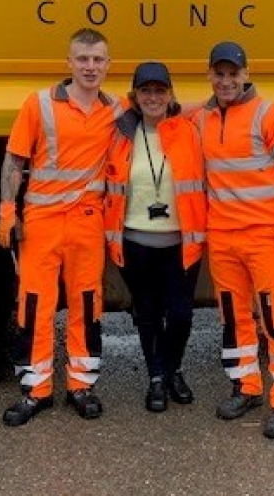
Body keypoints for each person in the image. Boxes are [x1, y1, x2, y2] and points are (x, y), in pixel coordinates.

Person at [0, 28, 123, 426]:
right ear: (68, 62)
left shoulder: (116, 109)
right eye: (82, 59)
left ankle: (81, 386)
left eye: (98, 60)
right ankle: (37, 391)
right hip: (43, 224)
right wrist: (6, 210)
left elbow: (165, 108)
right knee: (36, 307)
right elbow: (14, 161)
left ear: (107, 65)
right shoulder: (39, 105)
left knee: (87, 304)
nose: (90, 67)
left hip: (87, 224)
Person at [192, 41, 274, 438]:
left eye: (233, 74)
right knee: (233, 317)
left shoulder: (269, 114)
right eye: (219, 73)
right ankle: (247, 387)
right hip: (222, 238)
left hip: (263, 236)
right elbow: (158, 114)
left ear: (245, 74)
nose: (226, 81)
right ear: (209, 74)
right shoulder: (202, 118)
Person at [104, 62, 207, 413]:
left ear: (170, 94)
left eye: (159, 90)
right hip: (134, 241)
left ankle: (172, 367)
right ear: (134, 97)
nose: (153, 97)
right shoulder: (118, 134)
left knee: (180, 314)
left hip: (180, 242)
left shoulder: (190, 130)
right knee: (147, 313)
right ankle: (158, 379)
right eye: (145, 91)